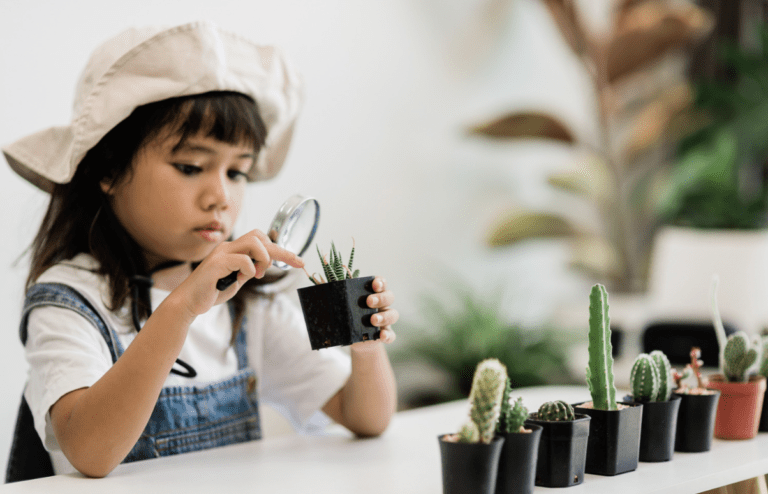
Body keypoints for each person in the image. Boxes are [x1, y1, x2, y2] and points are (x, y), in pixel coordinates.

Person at [2, 21, 398, 480]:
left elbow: (367, 418)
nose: (220, 196)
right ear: (108, 170)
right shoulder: (70, 300)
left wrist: (366, 343)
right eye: (191, 166)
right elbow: (90, 451)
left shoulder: (249, 303)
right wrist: (182, 307)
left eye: (237, 173)